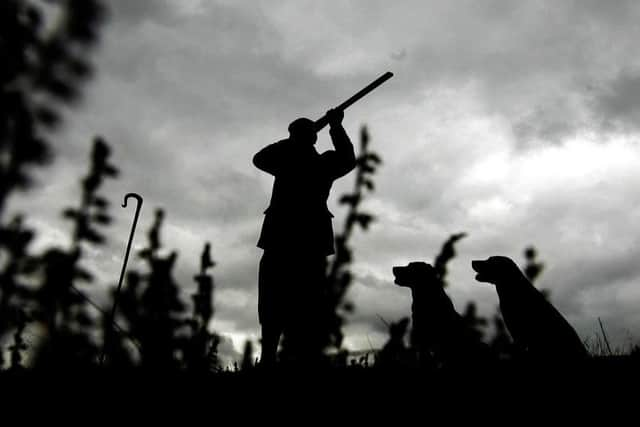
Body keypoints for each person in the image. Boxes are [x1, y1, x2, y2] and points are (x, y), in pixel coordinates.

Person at [253, 108, 356, 366]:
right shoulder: (316, 163)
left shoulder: (288, 161)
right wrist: (335, 127)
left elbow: (261, 157)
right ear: (313, 138)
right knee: (289, 304)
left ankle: (278, 360)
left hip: (290, 244)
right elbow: (347, 158)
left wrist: (324, 128)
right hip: (300, 244)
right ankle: (282, 359)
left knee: (283, 304)